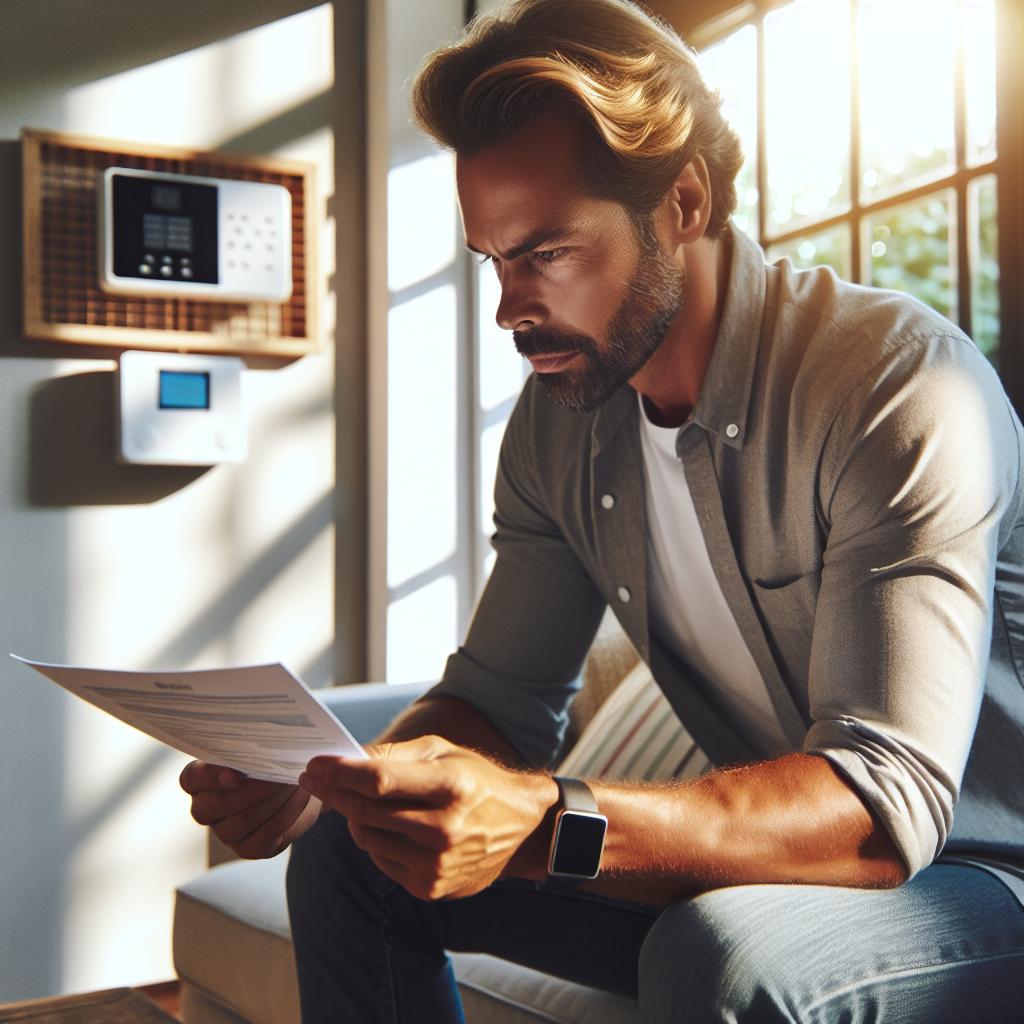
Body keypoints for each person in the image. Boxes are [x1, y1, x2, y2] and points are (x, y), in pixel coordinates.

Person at [180, 1, 1024, 1020]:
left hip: (982, 868)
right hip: (785, 862)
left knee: (727, 954)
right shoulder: (560, 426)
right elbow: (496, 702)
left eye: (547, 252)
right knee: (350, 860)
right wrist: (336, 782)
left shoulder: (891, 387)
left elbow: (877, 813)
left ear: (682, 203)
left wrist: (549, 820)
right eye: (494, 259)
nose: (510, 307)